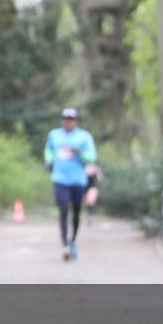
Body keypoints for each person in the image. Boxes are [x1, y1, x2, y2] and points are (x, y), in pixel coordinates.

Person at [44, 108, 97, 261]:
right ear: (62, 120)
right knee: (63, 209)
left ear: (75, 121)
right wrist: (49, 160)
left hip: (78, 180)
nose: (68, 122)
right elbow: (49, 150)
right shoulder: (54, 135)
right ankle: (65, 246)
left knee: (75, 211)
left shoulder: (84, 136)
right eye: (65, 119)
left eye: (71, 119)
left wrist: (79, 153)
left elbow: (92, 157)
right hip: (60, 179)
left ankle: (72, 241)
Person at [83, 163, 103, 228]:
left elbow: (100, 178)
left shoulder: (94, 166)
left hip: (92, 187)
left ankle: (90, 217)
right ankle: (88, 215)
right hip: (83, 187)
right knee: (86, 203)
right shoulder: (81, 165)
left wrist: (98, 171)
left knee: (91, 202)